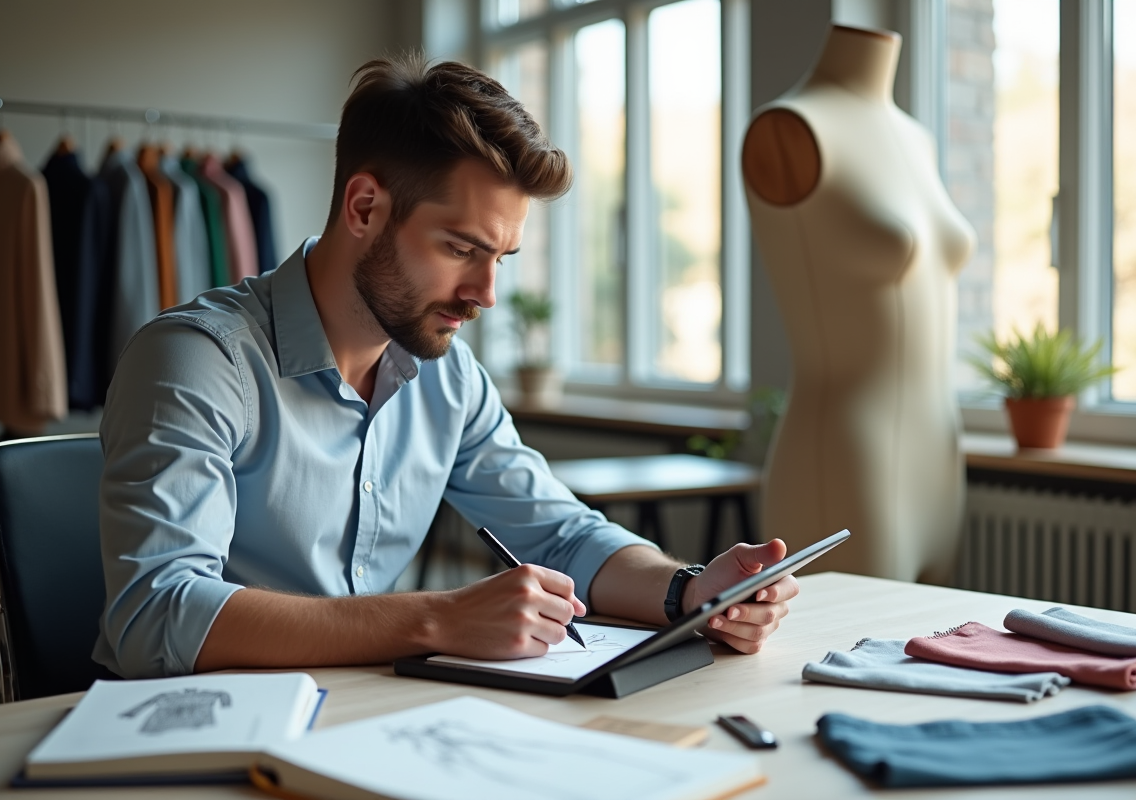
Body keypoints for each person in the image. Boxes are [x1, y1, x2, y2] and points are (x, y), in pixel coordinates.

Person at [94, 55, 800, 680]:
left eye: (502, 259)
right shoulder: (197, 360)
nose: (487, 294)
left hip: (362, 718)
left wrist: (690, 591)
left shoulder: (447, 376)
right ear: (365, 207)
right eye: (463, 249)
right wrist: (437, 619)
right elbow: (155, 618)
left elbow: (561, 534)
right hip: (195, 739)